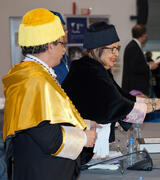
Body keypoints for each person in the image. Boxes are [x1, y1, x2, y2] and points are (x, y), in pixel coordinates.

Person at [2, 8, 97, 180]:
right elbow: (46, 135)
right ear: (49, 45)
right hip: (44, 171)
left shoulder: (30, 73)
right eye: (62, 43)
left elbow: (51, 116)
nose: (64, 50)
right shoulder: (34, 79)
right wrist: (83, 138)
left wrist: (86, 124)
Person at [62, 22, 160, 158]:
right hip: (77, 147)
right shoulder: (89, 71)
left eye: (117, 48)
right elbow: (119, 106)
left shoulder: (96, 68)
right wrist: (157, 105)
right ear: (97, 48)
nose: (116, 54)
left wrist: (156, 101)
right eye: (112, 49)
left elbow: (124, 97)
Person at [122, 24, 158, 96]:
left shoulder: (134, 46)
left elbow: (137, 64)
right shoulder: (133, 47)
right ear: (143, 35)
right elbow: (135, 68)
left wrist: (147, 64)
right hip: (135, 89)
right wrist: (150, 67)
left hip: (135, 87)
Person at [51, 11, 72, 84]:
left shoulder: (64, 57)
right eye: (62, 30)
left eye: (65, 30)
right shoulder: (50, 60)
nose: (65, 34)